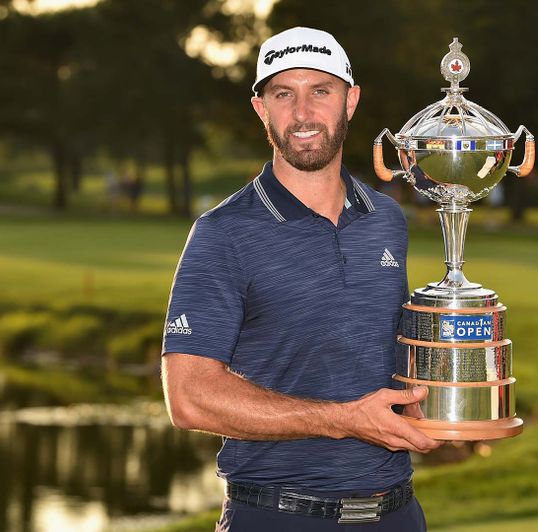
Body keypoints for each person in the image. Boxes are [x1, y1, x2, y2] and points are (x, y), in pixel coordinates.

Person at [161, 27, 439, 531]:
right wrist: (342, 420)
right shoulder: (223, 233)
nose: (303, 113)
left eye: (321, 91)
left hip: (397, 514)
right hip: (277, 515)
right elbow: (189, 397)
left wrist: (441, 398)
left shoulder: (385, 218)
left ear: (350, 101)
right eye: (283, 93)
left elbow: (378, 355)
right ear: (260, 108)